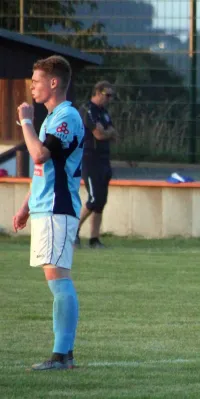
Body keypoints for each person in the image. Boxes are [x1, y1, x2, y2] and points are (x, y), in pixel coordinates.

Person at [12, 55, 84, 370]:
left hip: (58, 208)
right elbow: (46, 170)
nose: (32, 86)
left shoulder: (66, 116)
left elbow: (39, 155)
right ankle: (61, 353)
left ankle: (62, 354)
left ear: (54, 82)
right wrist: (26, 206)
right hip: (45, 208)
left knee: (58, 279)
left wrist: (26, 122)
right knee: (54, 278)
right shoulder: (53, 117)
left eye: (37, 80)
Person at [75, 81, 117, 249]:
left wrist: (107, 132)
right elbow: (99, 134)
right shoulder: (88, 110)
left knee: (101, 202)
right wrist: (107, 132)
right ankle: (73, 232)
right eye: (107, 95)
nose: (109, 99)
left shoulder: (104, 113)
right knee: (94, 199)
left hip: (104, 159)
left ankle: (94, 239)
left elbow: (113, 134)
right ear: (98, 92)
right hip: (89, 158)